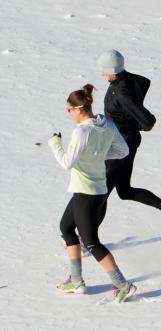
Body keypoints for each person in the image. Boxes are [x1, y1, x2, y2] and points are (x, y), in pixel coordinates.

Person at [48, 84, 137, 303]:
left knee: (91, 241)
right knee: (66, 228)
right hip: (93, 189)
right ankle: (76, 280)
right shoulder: (105, 123)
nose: (69, 114)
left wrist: (55, 144)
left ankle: (123, 285)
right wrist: (98, 154)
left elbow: (67, 162)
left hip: (86, 192)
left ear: (79, 109)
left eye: (69, 110)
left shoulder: (82, 131)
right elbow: (123, 150)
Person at [96, 49, 161, 235]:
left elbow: (148, 122)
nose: (101, 73)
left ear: (113, 69)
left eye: (104, 69)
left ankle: (87, 239)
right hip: (124, 142)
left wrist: (130, 124)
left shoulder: (122, 93)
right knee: (124, 191)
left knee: (100, 194)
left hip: (121, 146)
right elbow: (145, 82)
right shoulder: (128, 79)